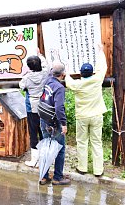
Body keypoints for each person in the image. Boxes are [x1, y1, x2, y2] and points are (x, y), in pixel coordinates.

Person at [65, 44, 107, 177]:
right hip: (96, 115)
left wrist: (66, 72)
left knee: (82, 142)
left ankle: (82, 168)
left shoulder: (77, 84)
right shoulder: (97, 79)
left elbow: (68, 80)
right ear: (92, 72)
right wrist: (101, 51)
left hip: (82, 117)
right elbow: (102, 67)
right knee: (97, 142)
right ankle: (98, 170)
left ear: (81, 73)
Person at [38, 61, 70, 185]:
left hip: (43, 118)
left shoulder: (47, 80)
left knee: (46, 147)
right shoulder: (59, 88)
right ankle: (57, 177)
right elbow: (59, 108)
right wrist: (64, 124)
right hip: (54, 122)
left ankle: (43, 176)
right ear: (62, 75)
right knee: (60, 148)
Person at [19, 49, 49, 167]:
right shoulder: (45, 73)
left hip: (32, 107)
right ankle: (44, 157)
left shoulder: (27, 78)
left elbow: (21, 86)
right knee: (44, 131)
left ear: (28, 66)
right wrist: (40, 54)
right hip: (44, 106)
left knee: (33, 132)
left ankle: (34, 160)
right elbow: (45, 64)